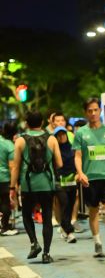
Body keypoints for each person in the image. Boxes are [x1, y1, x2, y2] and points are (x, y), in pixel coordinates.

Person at [73, 97, 105, 262]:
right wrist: (80, 173)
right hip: (90, 179)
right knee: (93, 211)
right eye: (90, 111)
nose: (93, 113)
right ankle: (97, 242)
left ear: (100, 110)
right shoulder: (81, 133)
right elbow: (78, 156)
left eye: (95, 110)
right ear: (85, 113)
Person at [10, 111, 62, 263]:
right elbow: (59, 163)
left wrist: (12, 188)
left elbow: (16, 167)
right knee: (47, 218)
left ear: (26, 123)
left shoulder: (20, 141)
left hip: (28, 185)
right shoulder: (51, 139)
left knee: (27, 215)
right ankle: (46, 253)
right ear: (42, 122)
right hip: (47, 184)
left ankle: (34, 243)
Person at [54, 126, 78, 243]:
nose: (61, 137)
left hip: (72, 181)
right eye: (59, 135)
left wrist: (78, 173)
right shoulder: (54, 150)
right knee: (65, 204)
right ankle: (69, 231)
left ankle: (64, 229)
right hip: (59, 182)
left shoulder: (72, 148)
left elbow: (77, 162)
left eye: (63, 134)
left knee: (70, 205)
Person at [0, 123, 18, 235]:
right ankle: (5, 227)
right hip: (4, 177)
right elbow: (12, 167)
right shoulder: (10, 146)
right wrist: (14, 185)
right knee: (5, 202)